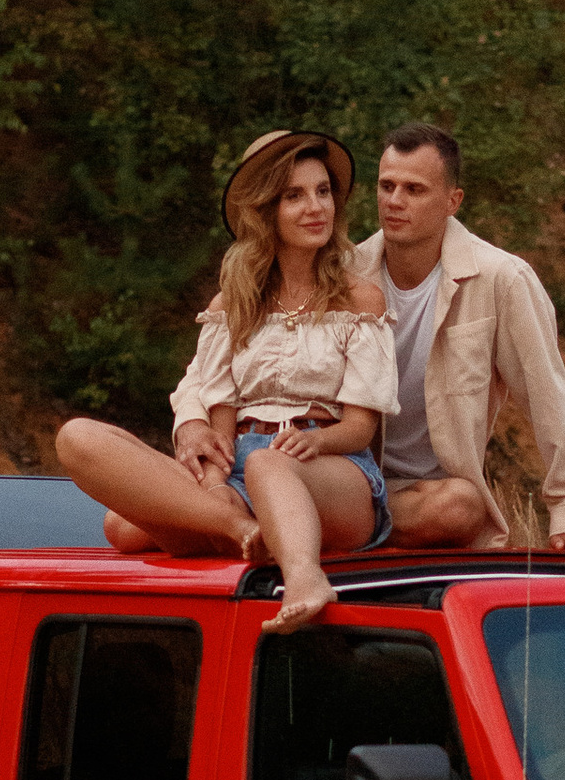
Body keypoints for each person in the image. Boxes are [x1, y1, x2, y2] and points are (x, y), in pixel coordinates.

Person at [169, 123, 565, 566]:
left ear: (452, 202)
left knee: (460, 506)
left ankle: (276, 524)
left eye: (414, 190)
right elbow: (206, 370)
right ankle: (280, 521)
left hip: (414, 494)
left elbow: (547, 396)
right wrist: (191, 422)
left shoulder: (502, 280)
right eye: (386, 186)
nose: (395, 201)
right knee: (132, 522)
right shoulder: (340, 270)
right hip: (324, 474)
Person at [55, 128, 396, 632]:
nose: (315, 207)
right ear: (266, 211)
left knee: (264, 465)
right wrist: (215, 485)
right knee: (94, 472)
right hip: (243, 467)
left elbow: (361, 429)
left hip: (331, 467)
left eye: (323, 192)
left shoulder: (359, 299)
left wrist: (316, 440)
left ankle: (305, 578)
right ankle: (242, 529)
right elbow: (220, 424)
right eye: (294, 196)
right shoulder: (231, 307)